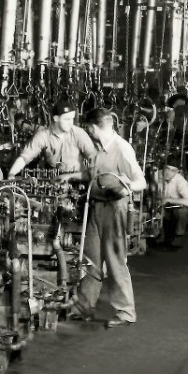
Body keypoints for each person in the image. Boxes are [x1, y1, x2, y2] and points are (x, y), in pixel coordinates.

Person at [73, 108, 146, 328]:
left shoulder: (121, 149)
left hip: (114, 209)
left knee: (115, 260)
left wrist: (125, 188)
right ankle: (84, 306)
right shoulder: (97, 149)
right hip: (96, 207)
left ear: (92, 127)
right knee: (90, 259)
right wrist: (70, 176)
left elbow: (141, 182)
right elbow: (93, 175)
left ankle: (125, 312)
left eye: (88, 128)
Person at [7, 100, 97, 182]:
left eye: (72, 119)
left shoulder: (78, 133)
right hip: (54, 181)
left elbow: (95, 158)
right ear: (56, 119)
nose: (71, 123)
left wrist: (76, 176)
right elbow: (25, 157)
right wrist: (11, 174)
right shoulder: (44, 135)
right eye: (67, 119)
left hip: (77, 181)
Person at [159, 163, 188, 248]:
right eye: (167, 168)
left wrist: (169, 200)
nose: (168, 172)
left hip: (172, 208)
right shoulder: (155, 175)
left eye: (173, 170)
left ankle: (178, 235)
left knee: (183, 212)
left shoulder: (180, 181)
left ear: (177, 172)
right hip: (158, 206)